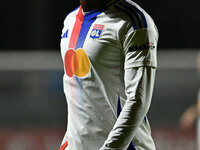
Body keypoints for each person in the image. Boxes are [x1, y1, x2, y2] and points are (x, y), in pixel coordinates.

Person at [60, 0, 158, 150]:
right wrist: (68, 142)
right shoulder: (70, 21)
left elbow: (138, 100)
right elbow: (77, 90)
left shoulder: (134, 22)